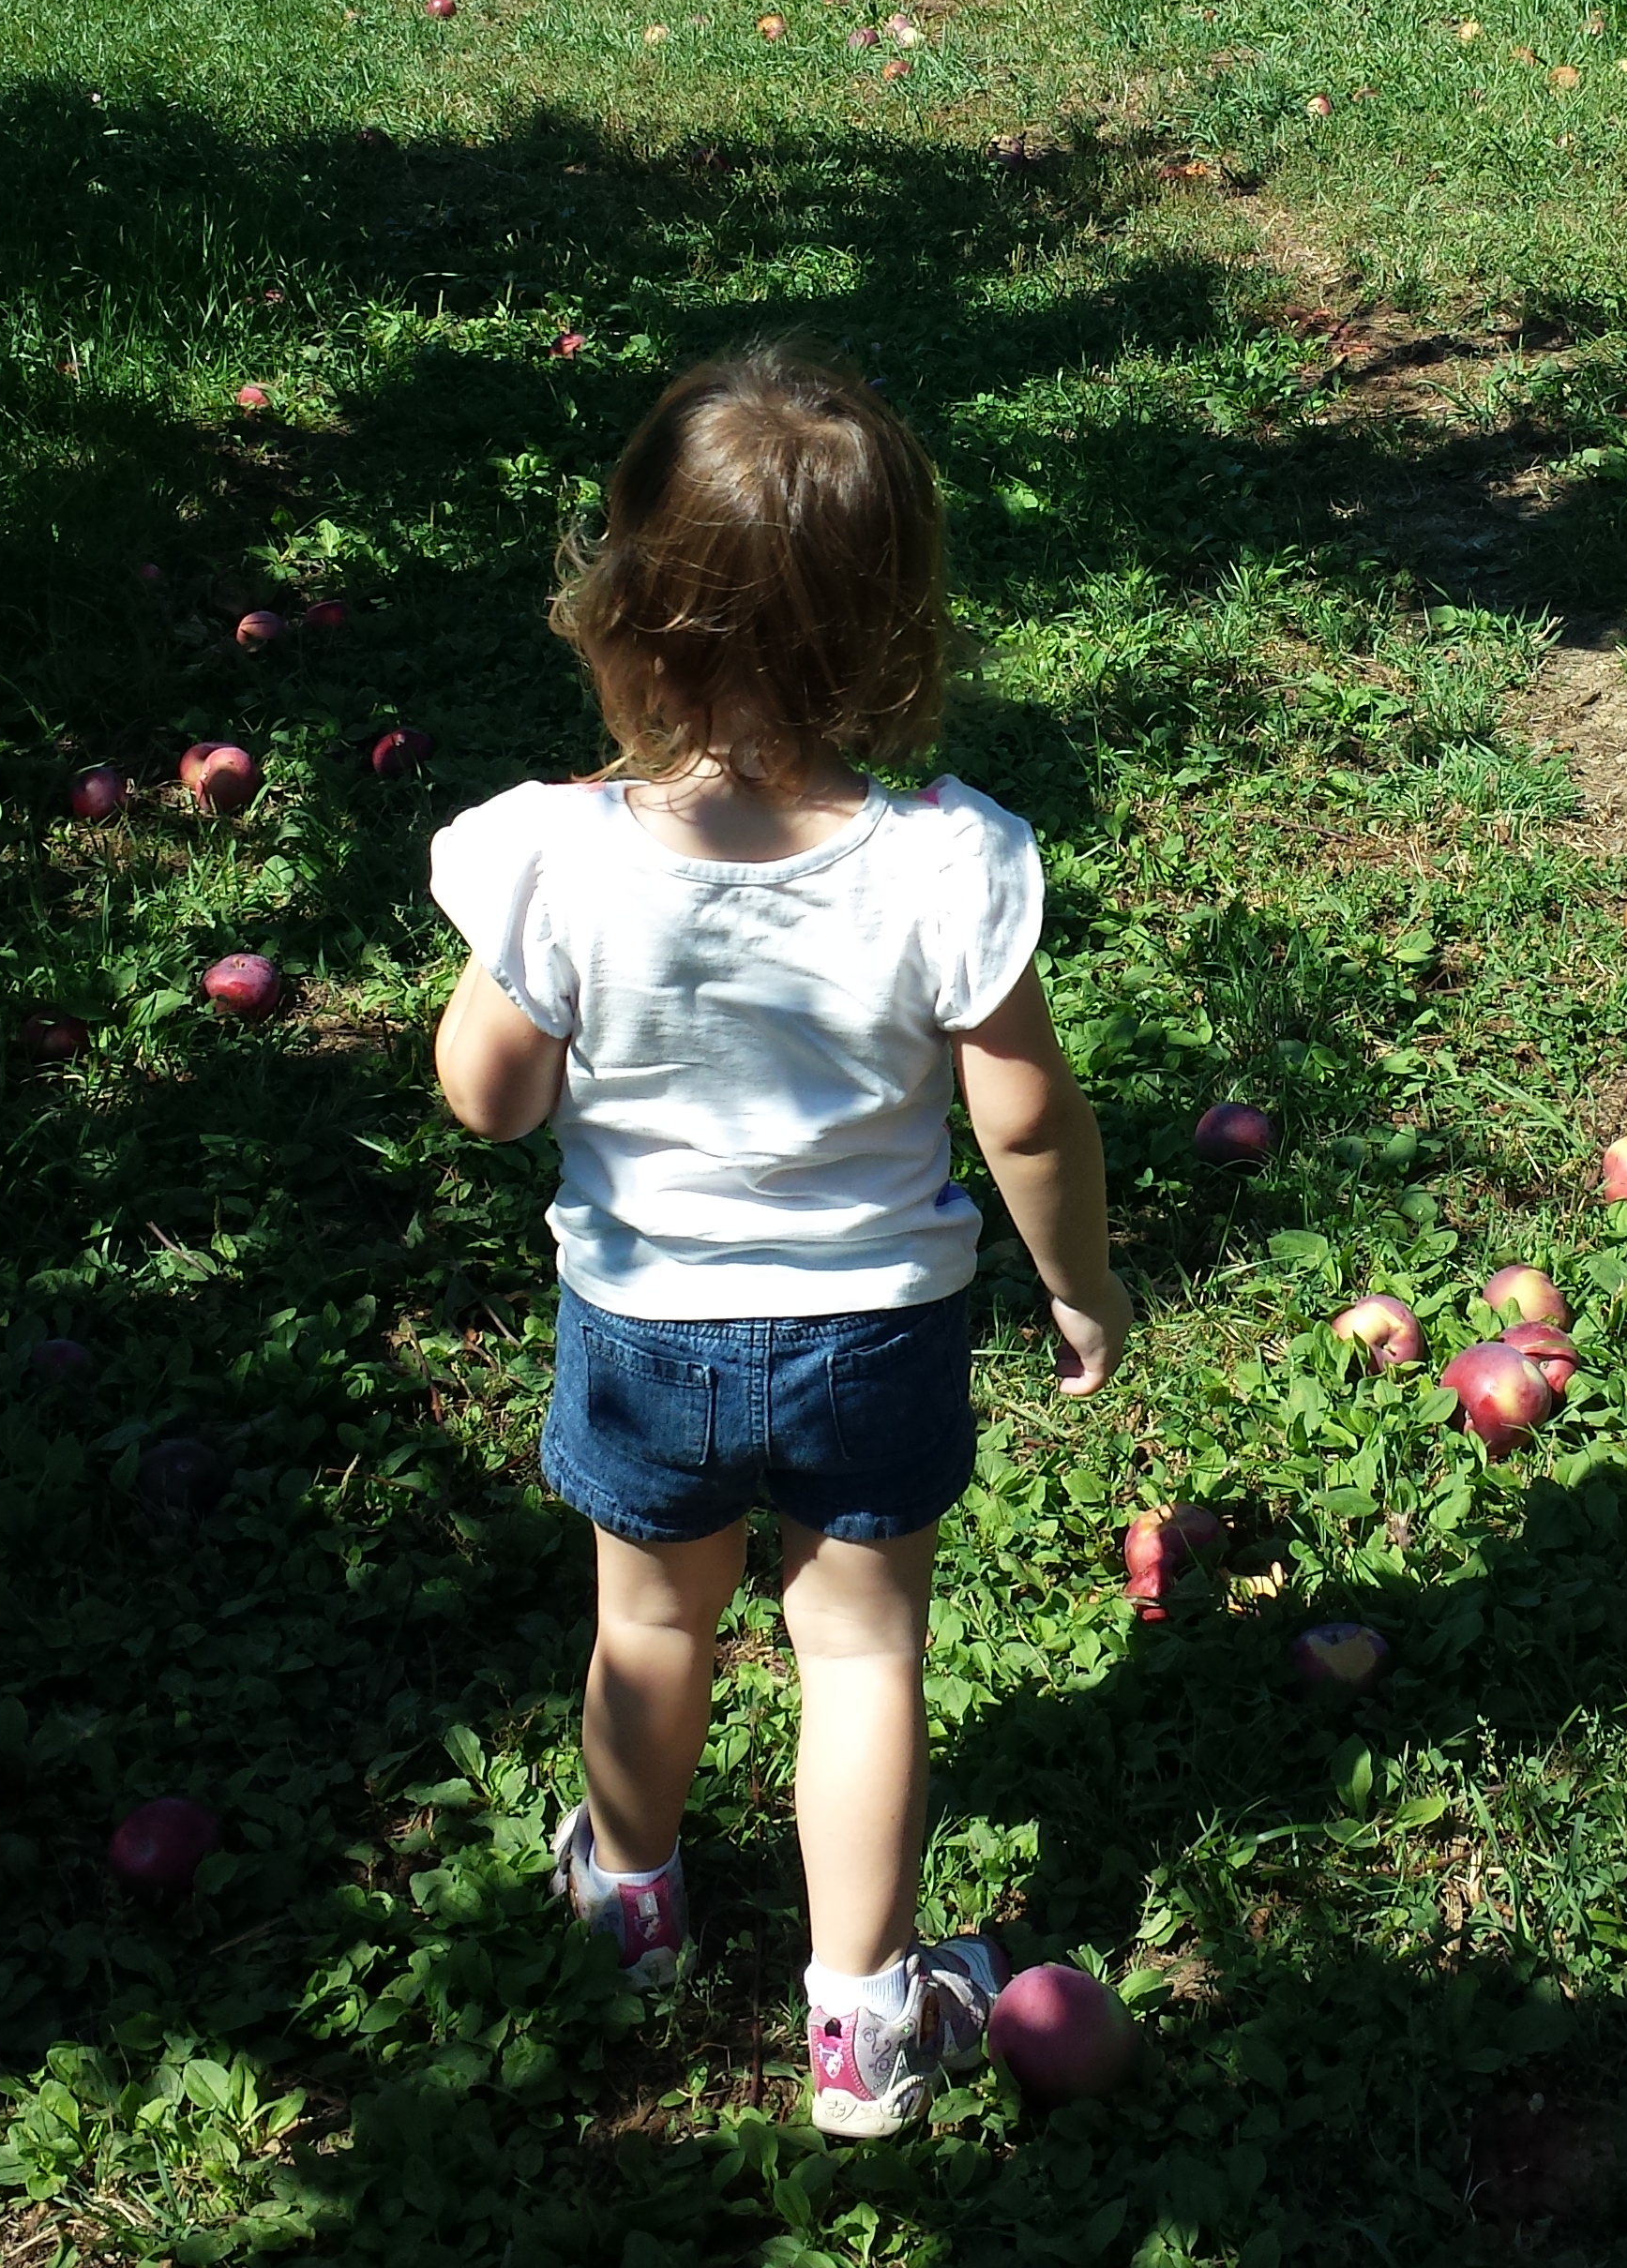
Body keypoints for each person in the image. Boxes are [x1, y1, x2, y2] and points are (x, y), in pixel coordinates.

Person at [427, 346, 1130, 2139]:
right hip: (873, 1333)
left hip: (648, 1325)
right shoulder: (948, 863)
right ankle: (864, 2025)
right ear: (895, 629)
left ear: (626, 615)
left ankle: (630, 1904)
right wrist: (1077, 1279)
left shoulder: (560, 857)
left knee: (652, 1630)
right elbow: (1027, 1116)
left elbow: (492, 1100)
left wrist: (517, 990)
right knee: (863, 1657)